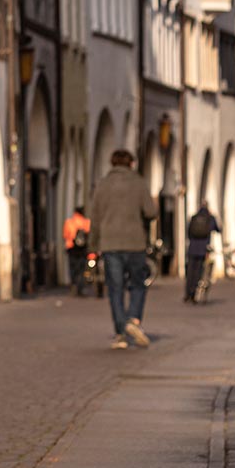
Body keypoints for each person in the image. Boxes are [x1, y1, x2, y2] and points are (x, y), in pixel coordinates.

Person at [87, 149, 155, 349]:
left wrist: (92, 247)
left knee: (115, 289)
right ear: (131, 164)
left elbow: (95, 219)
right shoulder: (139, 183)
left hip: (110, 245)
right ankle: (133, 319)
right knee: (137, 284)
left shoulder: (102, 185)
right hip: (135, 243)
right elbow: (151, 211)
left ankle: (120, 334)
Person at [185, 201, 218, 303]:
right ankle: (194, 293)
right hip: (202, 249)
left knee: (190, 272)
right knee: (198, 272)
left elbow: (189, 232)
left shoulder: (194, 217)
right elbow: (218, 229)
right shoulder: (210, 218)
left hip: (192, 248)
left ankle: (188, 294)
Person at [63, 204, 92, 296]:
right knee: (82, 268)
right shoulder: (86, 222)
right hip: (82, 249)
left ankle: (74, 284)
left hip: (71, 248)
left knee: (72, 267)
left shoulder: (69, 222)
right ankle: (81, 286)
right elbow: (90, 235)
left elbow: (65, 235)